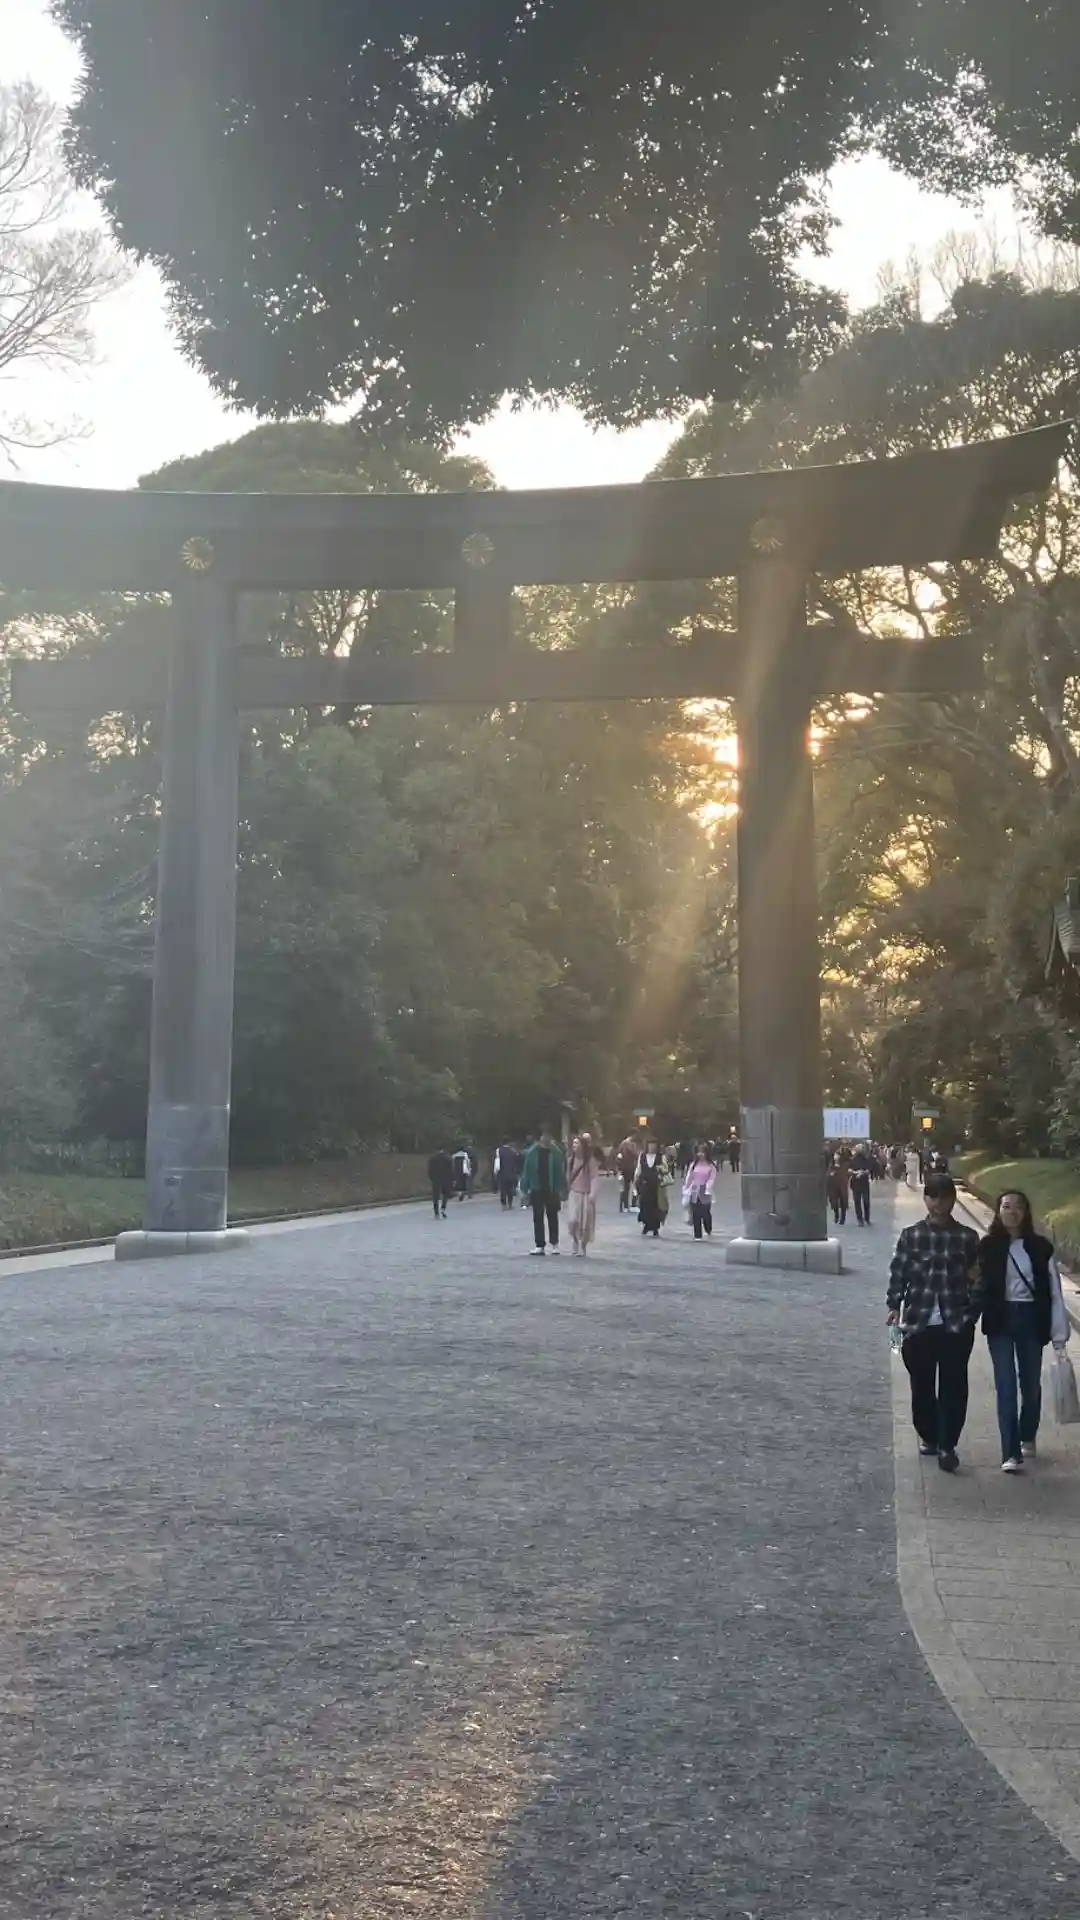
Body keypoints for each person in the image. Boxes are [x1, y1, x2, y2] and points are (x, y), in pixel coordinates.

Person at [887, 1173, 981, 1473]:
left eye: (945, 1196)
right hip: (919, 1320)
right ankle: (929, 1434)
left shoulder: (967, 1237)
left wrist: (971, 1313)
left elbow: (979, 1277)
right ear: (926, 1198)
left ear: (953, 1199)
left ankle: (947, 1444)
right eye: (933, 1196)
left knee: (954, 1385)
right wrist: (894, 1305)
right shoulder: (911, 1235)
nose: (939, 1203)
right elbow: (899, 1271)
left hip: (956, 1322)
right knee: (921, 1384)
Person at [973, 1190, 1071, 1472]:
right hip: (1000, 1318)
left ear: (1026, 1212)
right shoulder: (988, 1246)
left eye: (1018, 1207)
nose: (1012, 1212)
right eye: (1006, 1206)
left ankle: (1028, 1433)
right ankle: (1010, 1451)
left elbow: (1054, 1291)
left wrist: (1059, 1333)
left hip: (1030, 1318)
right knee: (1005, 1385)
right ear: (998, 1211)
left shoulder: (1040, 1247)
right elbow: (978, 1287)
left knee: (1030, 1384)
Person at [520, 1124, 567, 1255]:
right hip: (537, 1188)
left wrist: (562, 1188)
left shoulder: (556, 1152)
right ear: (539, 1138)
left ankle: (555, 1244)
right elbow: (527, 1171)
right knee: (538, 1216)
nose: (546, 1138)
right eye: (544, 1136)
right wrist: (524, 1188)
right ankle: (540, 1245)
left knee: (552, 1216)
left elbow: (560, 1172)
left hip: (552, 1188)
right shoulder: (532, 1153)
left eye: (548, 1136)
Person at [566, 1132, 602, 1256]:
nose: (574, 1145)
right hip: (574, 1193)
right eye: (573, 1143)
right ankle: (575, 1239)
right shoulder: (570, 1160)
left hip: (586, 1195)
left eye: (577, 1143)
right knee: (573, 1220)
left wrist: (593, 1193)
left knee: (585, 1222)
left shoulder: (590, 1161)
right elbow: (567, 1176)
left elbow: (594, 1177)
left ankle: (582, 1245)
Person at [682, 1143, 717, 1239]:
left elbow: (712, 1178)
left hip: (705, 1191)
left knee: (705, 1212)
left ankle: (708, 1228)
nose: (700, 1154)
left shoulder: (711, 1165)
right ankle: (697, 1235)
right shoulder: (693, 1164)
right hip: (694, 1190)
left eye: (702, 1152)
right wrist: (687, 1187)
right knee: (695, 1212)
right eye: (699, 1152)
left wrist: (707, 1187)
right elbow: (690, 1176)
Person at [636, 1138, 667, 1237]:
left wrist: (660, 1168)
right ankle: (646, 1225)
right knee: (644, 1205)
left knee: (656, 1206)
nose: (652, 1147)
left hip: (656, 1185)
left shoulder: (661, 1157)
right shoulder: (642, 1156)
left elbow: (666, 1169)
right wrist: (636, 1181)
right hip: (644, 1183)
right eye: (650, 1145)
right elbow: (638, 1169)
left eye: (654, 1145)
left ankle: (655, 1227)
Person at [427, 1147, 454, 1219]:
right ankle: (443, 1208)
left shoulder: (432, 1159)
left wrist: (432, 1178)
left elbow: (430, 1171)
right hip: (446, 1179)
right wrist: (452, 1179)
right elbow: (451, 1170)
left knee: (435, 1196)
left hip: (436, 1179)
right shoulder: (448, 1158)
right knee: (445, 1195)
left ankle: (436, 1212)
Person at [615, 1134, 639, 1213]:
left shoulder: (621, 1146)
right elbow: (636, 1155)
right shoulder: (631, 1145)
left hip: (624, 1169)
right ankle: (633, 1205)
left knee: (625, 1188)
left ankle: (624, 1206)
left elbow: (618, 1158)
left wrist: (619, 1170)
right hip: (631, 1169)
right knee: (635, 1187)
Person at [849, 1144, 872, 1226]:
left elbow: (869, 1170)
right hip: (856, 1183)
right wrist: (855, 1172)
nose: (861, 1150)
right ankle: (860, 1219)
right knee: (857, 1202)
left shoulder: (866, 1159)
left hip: (864, 1183)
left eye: (862, 1148)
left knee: (866, 1202)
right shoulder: (852, 1160)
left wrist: (862, 1172)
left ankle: (866, 1218)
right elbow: (849, 1170)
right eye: (860, 1149)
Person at [496, 1140, 520, 1210]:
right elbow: (516, 1162)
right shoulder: (512, 1151)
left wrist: (496, 1172)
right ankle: (510, 1204)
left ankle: (504, 1204)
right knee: (510, 1189)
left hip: (502, 1173)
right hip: (511, 1173)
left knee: (503, 1190)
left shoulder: (499, 1150)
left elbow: (497, 1163)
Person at [827, 1154, 849, 1227]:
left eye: (837, 1156)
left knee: (843, 1202)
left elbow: (847, 1173)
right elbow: (828, 1175)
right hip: (834, 1186)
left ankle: (843, 1218)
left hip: (842, 1186)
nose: (836, 1157)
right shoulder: (831, 1166)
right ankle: (836, 1216)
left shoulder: (844, 1165)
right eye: (835, 1156)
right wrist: (831, 1174)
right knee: (835, 1203)